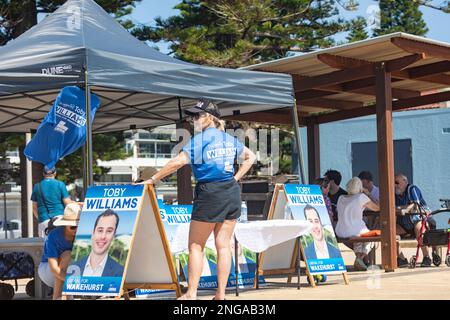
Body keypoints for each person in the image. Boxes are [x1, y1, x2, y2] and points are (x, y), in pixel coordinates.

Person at [140, 99, 256, 300]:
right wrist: (235, 179)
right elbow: (251, 157)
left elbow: (178, 162)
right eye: (191, 116)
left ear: (209, 117)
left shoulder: (201, 140)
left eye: (196, 115)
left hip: (210, 192)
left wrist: (152, 179)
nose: (192, 119)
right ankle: (220, 294)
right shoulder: (228, 138)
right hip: (230, 191)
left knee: (195, 245)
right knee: (223, 244)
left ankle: (191, 293)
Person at [38, 202, 81, 300]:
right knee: (67, 255)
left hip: (71, 272)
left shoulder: (82, 235)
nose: (76, 230)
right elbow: (54, 268)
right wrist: (70, 281)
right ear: (65, 224)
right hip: (48, 270)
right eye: (73, 226)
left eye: (79, 226)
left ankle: (69, 294)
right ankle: (57, 297)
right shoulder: (54, 236)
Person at [336, 177, 380, 271]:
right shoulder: (361, 197)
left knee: (359, 239)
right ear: (360, 187)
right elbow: (377, 207)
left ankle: (360, 260)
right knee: (370, 238)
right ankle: (359, 258)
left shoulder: (341, 198)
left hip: (340, 231)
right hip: (355, 230)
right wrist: (368, 194)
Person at [394, 173, 436, 268]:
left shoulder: (412, 189)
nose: (395, 185)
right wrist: (402, 208)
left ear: (405, 182)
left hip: (420, 218)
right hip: (405, 223)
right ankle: (401, 258)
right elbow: (393, 207)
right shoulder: (395, 194)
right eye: (394, 183)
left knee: (419, 229)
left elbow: (415, 204)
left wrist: (404, 209)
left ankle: (426, 257)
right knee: (390, 232)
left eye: (397, 182)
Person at [72, 209, 124, 277]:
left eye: (109, 231)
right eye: (100, 230)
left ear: (114, 235)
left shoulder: (119, 272)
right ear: (93, 233)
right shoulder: (74, 267)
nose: (103, 236)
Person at [31, 167, 72, 237]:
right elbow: (68, 203)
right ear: (55, 173)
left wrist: (40, 218)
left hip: (44, 219)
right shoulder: (60, 184)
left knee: (46, 245)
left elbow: (34, 206)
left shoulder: (37, 186)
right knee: (60, 243)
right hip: (59, 219)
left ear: (43, 174)